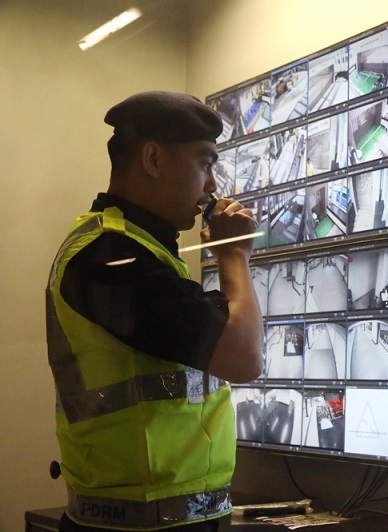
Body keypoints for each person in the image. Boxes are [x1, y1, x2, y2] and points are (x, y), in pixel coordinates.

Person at [46, 91, 264, 531]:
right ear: (152, 159)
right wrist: (233, 253)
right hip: (136, 523)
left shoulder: (144, 253)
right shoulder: (111, 259)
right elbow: (244, 357)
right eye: (205, 163)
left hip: (166, 517)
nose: (212, 186)